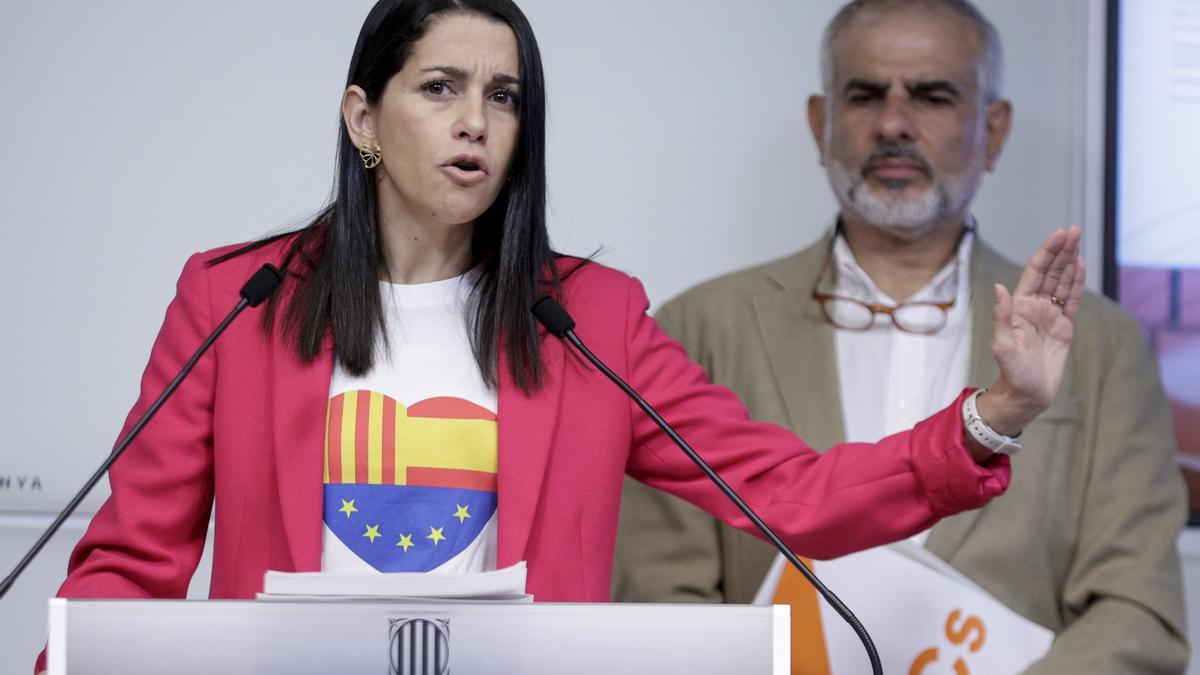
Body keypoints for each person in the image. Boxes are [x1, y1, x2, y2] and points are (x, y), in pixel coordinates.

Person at [36, 0, 1084, 671]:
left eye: (505, 96)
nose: (475, 122)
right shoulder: (239, 299)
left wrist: (996, 417)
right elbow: (129, 569)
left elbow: (789, 492)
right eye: (439, 88)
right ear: (364, 118)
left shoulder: (591, 317)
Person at [612, 0, 1188, 673]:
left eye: (932, 96)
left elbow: (1139, 612)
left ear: (993, 131)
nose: (892, 123)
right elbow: (662, 602)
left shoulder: (1103, 345)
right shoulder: (699, 328)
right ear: (820, 123)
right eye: (864, 95)